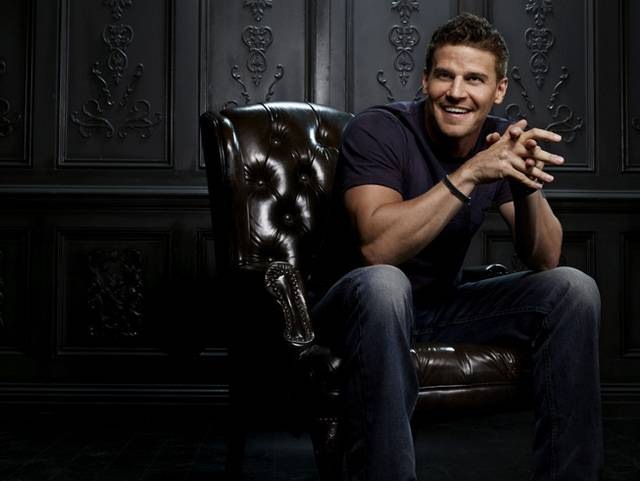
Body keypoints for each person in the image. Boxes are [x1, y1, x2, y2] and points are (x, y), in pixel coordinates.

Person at [308, 12, 603, 481]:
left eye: (474, 79)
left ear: (498, 90)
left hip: (437, 307)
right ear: (425, 80)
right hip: (353, 307)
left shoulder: (498, 140)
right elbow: (377, 250)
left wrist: (525, 183)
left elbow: (545, 257)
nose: (457, 92)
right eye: (445, 75)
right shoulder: (379, 130)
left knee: (573, 288)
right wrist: (469, 173)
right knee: (385, 283)